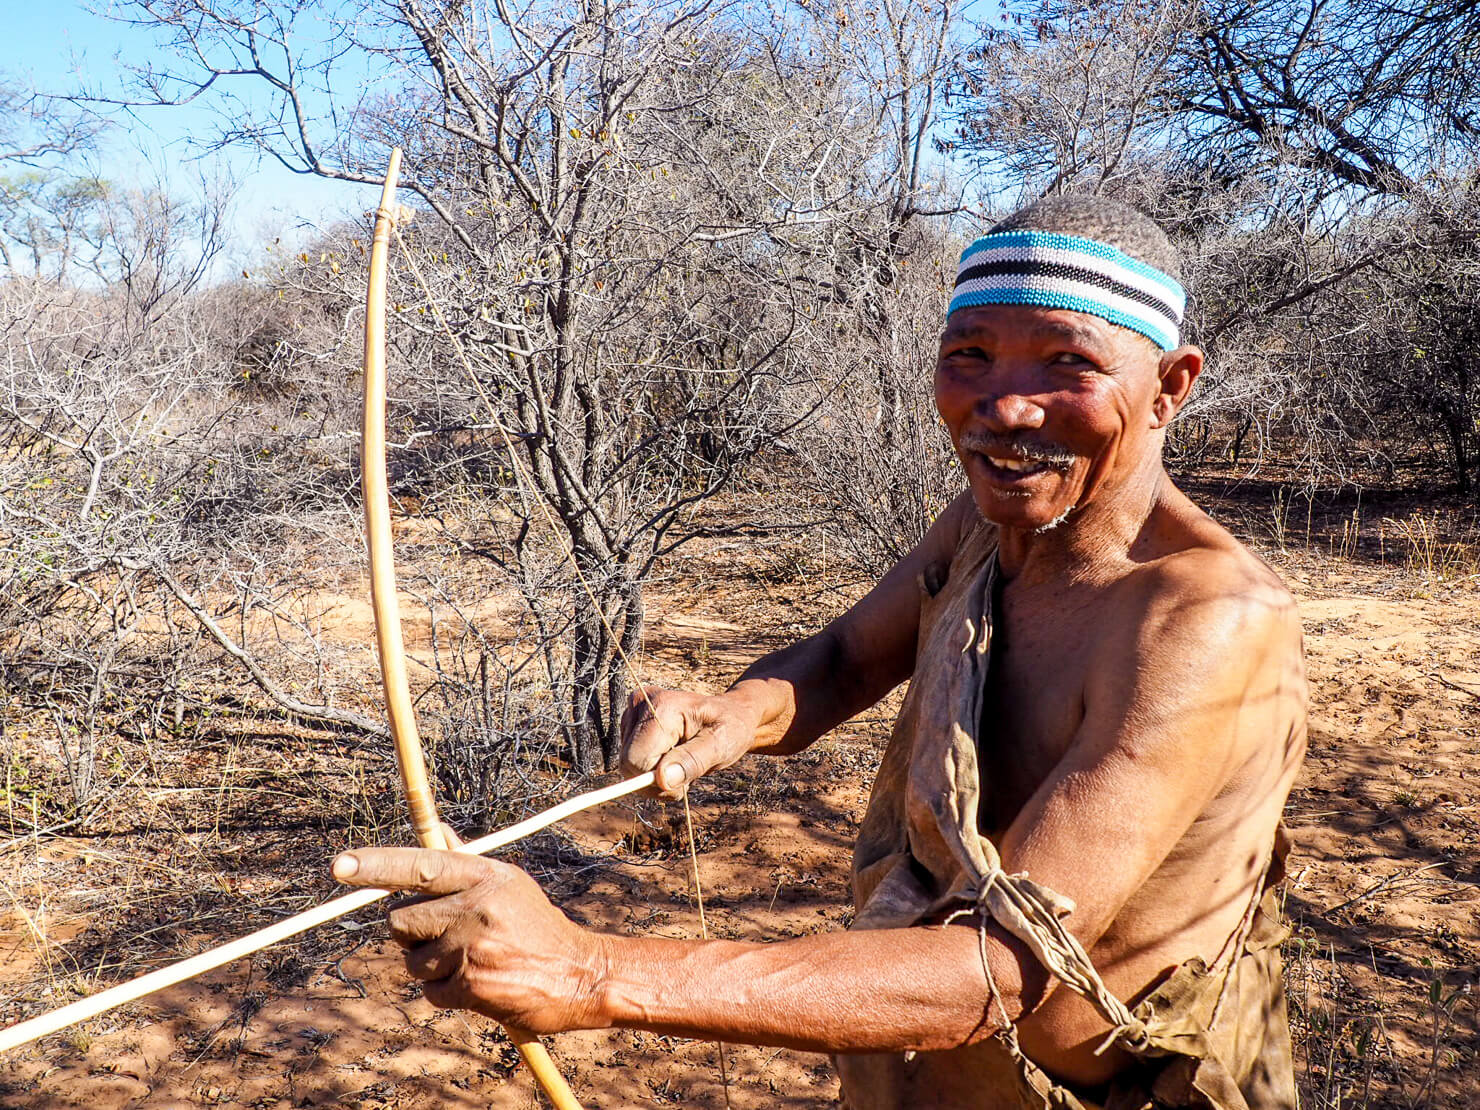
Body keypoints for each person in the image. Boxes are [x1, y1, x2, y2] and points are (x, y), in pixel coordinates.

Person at [332, 196, 1308, 1109]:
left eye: (1066, 365)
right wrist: (729, 718)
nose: (1005, 408)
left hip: (1113, 1083)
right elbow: (846, 658)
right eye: (969, 354)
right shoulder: (987, 524)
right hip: (929, 1048)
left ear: (1169, 388)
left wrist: (587, 970)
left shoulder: (1206, 621)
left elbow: (999, 967)